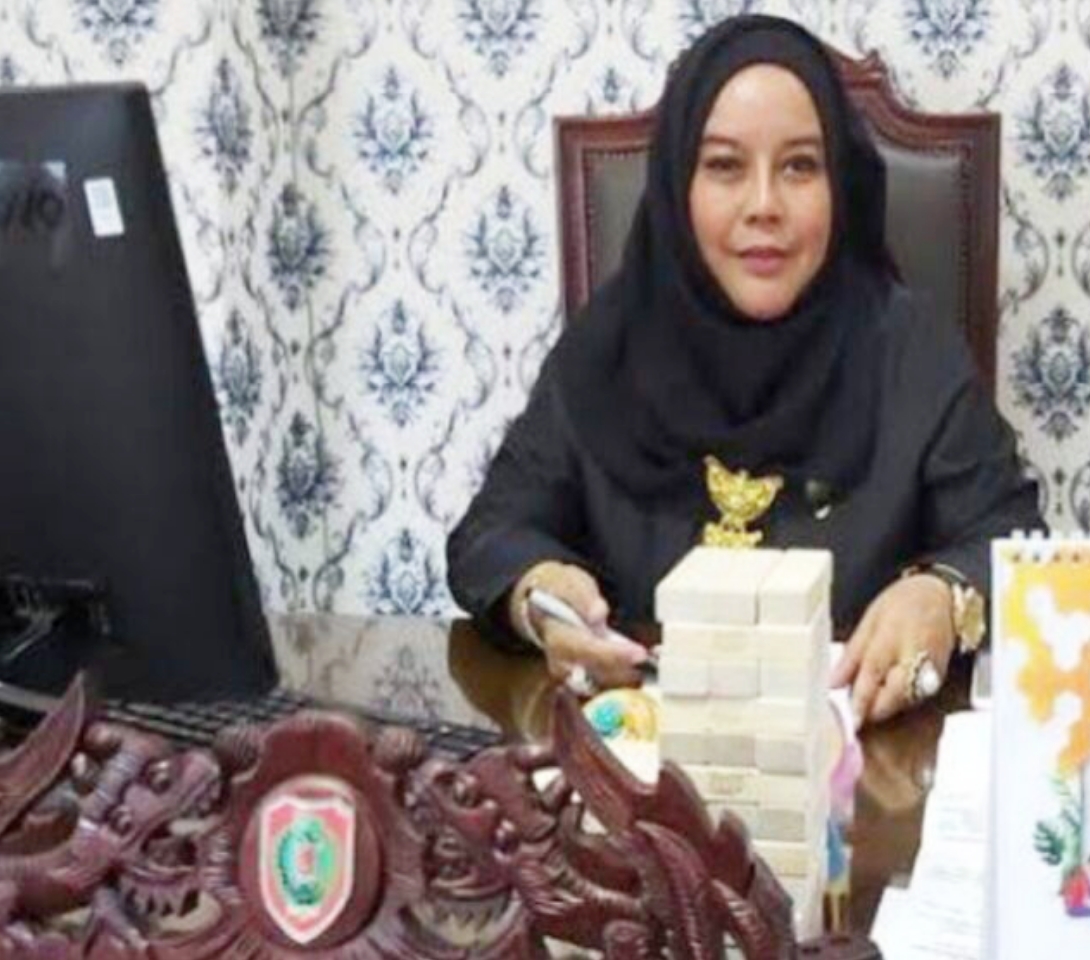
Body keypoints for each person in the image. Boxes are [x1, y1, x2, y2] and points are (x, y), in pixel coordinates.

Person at [446, 14, 1044, 725]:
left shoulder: (910, 350)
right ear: (678, 186)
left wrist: (944, 595)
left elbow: (1012, 539)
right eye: (725, 166)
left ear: (840, 185)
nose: (765, 206)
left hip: (861, 762)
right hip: (641, 762)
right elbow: (491, 536)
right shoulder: (607, 349)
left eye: (800, 166)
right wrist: (540, 596)